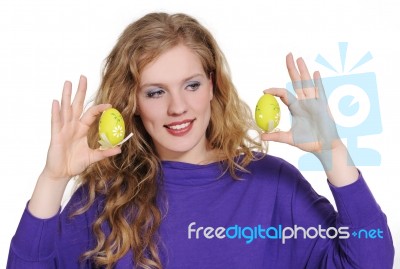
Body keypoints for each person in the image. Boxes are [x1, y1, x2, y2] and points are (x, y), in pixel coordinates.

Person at [7, 12, 394, 269]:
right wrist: (53, 179)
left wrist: (334, 155)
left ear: (213, 85)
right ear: (134, 103)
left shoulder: (273, 185)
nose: (179, 107)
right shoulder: (105, 197)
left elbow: (371, 261)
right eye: (156, 92)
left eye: (191, 85)